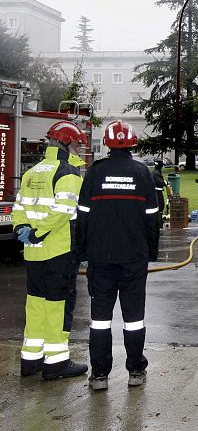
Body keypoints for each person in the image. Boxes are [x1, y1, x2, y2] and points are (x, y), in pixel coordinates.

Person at [76, 120, 160, 391]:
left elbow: (83, 218)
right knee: (134, 318)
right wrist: (151, 253)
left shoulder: (94, 173)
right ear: (133, 143)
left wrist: (82, 252)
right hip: (134, 258)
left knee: (100, 320)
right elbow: (152, 218)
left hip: (100, 258)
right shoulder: (142, 173)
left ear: (108, 144)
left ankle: (99, 376)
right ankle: (136, 370)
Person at [12, 121, 89, 380]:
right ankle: (56, 363)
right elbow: (63, 211)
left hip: (33, 253)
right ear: (66, 143)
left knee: (35, 306)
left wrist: (22, 228)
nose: (79, 150)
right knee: (58, 307)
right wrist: (38, 231)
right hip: (58, 252)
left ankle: (30, 360)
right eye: (78, 144)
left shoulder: (33, 172)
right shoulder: (68, 173)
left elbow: (20, 206)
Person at [152, 159, 168, 227]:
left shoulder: (156, 172)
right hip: (157, 192)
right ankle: (158, 223)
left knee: (161, 206)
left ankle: (159, 221)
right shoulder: (156, 173)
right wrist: (165, 183)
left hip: (158, 191)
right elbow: (159, 182)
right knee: (160, 206)